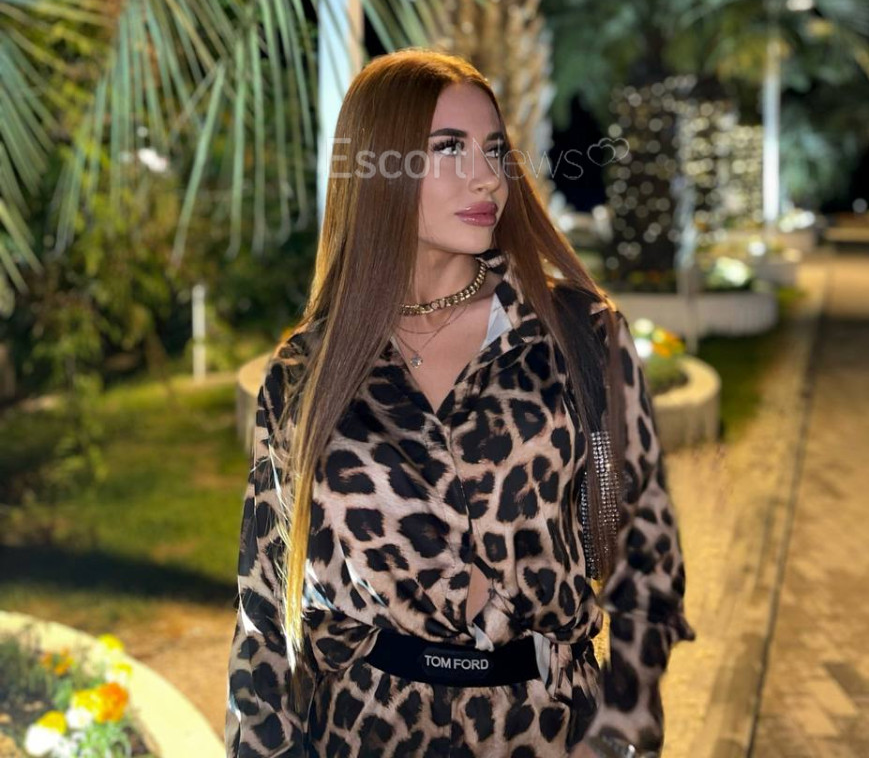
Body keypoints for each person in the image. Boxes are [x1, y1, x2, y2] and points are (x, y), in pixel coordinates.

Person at [225, 48, 693, 758]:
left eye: (494, 150)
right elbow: (264, 612)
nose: (487, 177)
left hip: (542, 729)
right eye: (448, 149)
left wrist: (622, 733)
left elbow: (646, 558)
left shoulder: (578, 334)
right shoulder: (306, 371)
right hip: (364, 731)